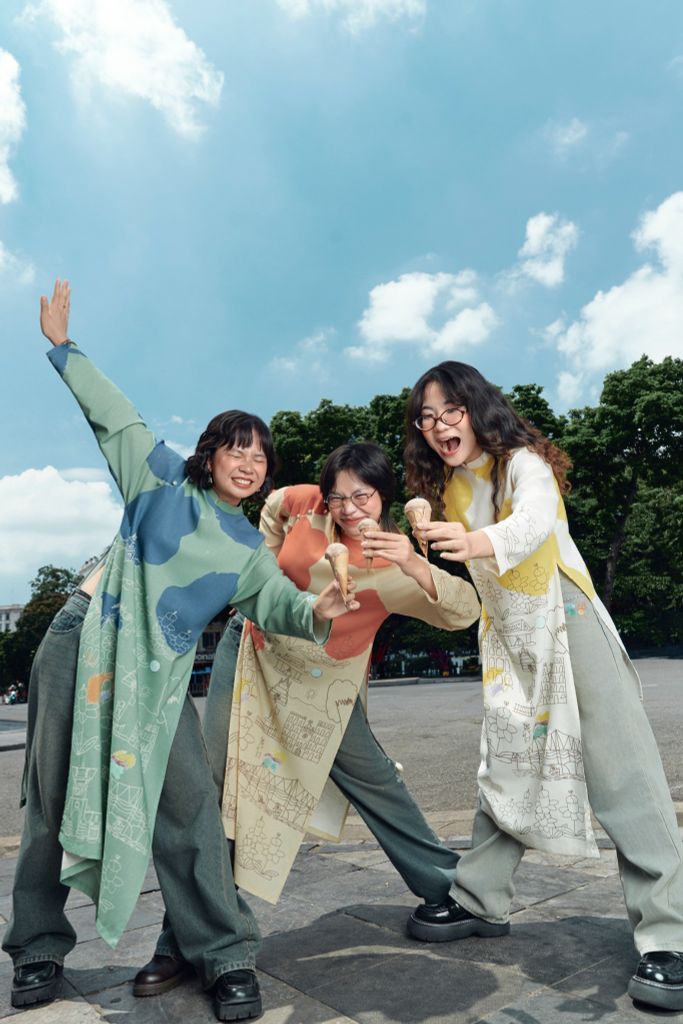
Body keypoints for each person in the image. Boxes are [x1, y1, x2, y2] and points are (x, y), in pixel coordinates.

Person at [3, 279, 356, 1022]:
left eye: (260, 455)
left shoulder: (247, 548)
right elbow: (115, 415)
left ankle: (224, 954)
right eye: (236, 447)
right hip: (81, 643)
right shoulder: (160, 477)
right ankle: (36, 948)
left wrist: (319, 609)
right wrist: (64, 347)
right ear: (210, 453)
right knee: (51, 796)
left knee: (191, 807)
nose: (249, 462)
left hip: (158, 682)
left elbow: (282, 605)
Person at [401, 359, 683, 1012]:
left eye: (451, 410)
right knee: (508, 761)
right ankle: (480, 897)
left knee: (622, 773)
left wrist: (473, 540)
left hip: (566, 619)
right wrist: (421, 542)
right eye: (426, 417)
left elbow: (531, 523)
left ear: (477, 408)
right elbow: (462, 580)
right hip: (509, 640)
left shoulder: (522, 463)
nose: (439, 425)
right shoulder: (446, 488)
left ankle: (668, 933)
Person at [150, 438, 480, 991]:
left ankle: (453, 890)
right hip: (254, 651)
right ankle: (182, 939)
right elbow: (271, 511)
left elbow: (464, 611)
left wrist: (414, 563)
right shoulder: (303, 505)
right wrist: (262, 577)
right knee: (218, 790)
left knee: (376, 781)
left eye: (362, 497)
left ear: (384, 495)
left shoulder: (393, 562)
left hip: (323, 683)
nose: (348, 509)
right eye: (338, 498)